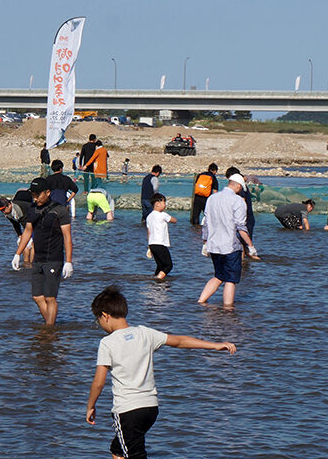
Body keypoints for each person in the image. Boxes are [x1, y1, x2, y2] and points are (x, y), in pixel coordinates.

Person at [86, 285, 237, 459]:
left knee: (135, 454)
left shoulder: (108, 343)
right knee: (118, 450)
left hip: (127, 411)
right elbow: (180, 341)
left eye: (97, 320)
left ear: (105, 316)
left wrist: (91, 406)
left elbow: (98, 382)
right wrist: (214, 345)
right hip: (150, 409)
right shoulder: (145, 333)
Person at [11, 177, 73, 325]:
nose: (35, 198)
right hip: (37, 259)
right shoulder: (32, 209)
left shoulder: (60, 210)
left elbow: (67, 237)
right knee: (37, 296)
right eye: (33, 195)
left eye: (38, 195)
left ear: (47, 192)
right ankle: (51, 327)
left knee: (50, 297)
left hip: (54, 259)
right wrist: (17, 254)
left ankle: (49, 330)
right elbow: (27, 231)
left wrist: (69, 262)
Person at [198, 174, 257, 306]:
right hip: (230, 246)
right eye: (241, 188)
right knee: (231, 280)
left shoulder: (212, 198)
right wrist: (251, 246)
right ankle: (228, 310)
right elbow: (241, 227)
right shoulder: (238, 201)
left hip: (213, 245)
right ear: (238, 185)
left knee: (218, 276)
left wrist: (205, 243)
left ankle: (200, 302)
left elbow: (206, 223)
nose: (241, 190)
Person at [225, 166, 258, 259]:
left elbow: (241, 203)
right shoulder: (241, 185)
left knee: (242, 240)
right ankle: (246, 258)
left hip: (246, 217)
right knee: (242, 241)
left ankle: (243, 260)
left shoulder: (241, 187)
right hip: (247, 217)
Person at [0, 189, 35, 263]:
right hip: (26, 222)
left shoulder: (18, 210)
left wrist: (27, 237)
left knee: (32, 243)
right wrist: (19, 235)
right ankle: (26, 263)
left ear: (9, 205)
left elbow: (26, 225)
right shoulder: (7, 213)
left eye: (3, 209)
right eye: (1, 210)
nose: (3, 212)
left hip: (34, 219)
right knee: (22, 242)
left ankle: (31, 264)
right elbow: (15, 223)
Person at [146, 193, 177, 279]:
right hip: (160, 244)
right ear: (157, 204)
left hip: (152, 244)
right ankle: (159, 278)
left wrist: (149, 246)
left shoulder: (149, 217)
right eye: (164, 203)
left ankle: (156, 281)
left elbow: (149, 232)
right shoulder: (162, 215)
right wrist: (167, 215)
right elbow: (174, 220)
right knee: (168, 266)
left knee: (160, 265)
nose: (165, 205)